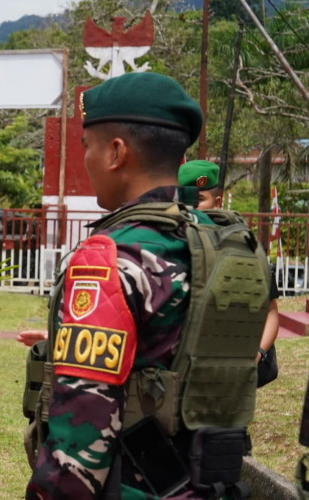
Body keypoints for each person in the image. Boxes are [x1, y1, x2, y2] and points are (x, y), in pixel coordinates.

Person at [24, 73, 270, 499]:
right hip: (215, 483)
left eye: (87, 145)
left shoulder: (111, 258)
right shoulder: (228, 246)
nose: (86, 158)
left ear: (116, 152)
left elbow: (80, 443)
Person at [179, 159, 280, 386]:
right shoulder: (169, 248)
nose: (190, 209)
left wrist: (257, 355)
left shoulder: (244, 247)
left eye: (199, 200)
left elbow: (270, 313)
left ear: (217, 202)